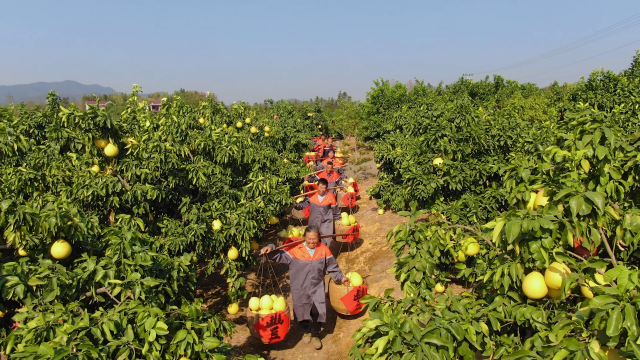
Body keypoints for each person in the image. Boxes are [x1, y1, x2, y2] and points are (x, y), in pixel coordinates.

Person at [260, 226, 349, 350]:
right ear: (304, 238)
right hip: (299, 287)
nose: (311, 242)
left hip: (316, 287)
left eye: (314, 239)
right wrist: (271, 247)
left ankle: (316, 334)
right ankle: (306, 331)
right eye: (309, 239)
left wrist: (341, 278)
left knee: (317, 312)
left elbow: (332, 267)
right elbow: (279, 255)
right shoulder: (295, 249)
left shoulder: (324, 250)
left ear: (319, 238)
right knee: (302, 311)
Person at [294, 178, 340, 246]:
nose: (321, 190)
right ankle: (315, 255)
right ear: (317, 186)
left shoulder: (330, 197)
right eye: (320, 187)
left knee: (326, 240)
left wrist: (337, 219)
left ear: (326, 188)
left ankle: (324, 254)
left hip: (326, 222)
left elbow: (335, 209)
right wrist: (295, 204)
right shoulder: (312, 195)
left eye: (324, 188)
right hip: (314, 221)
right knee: (313, 240)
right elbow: (303, 205)